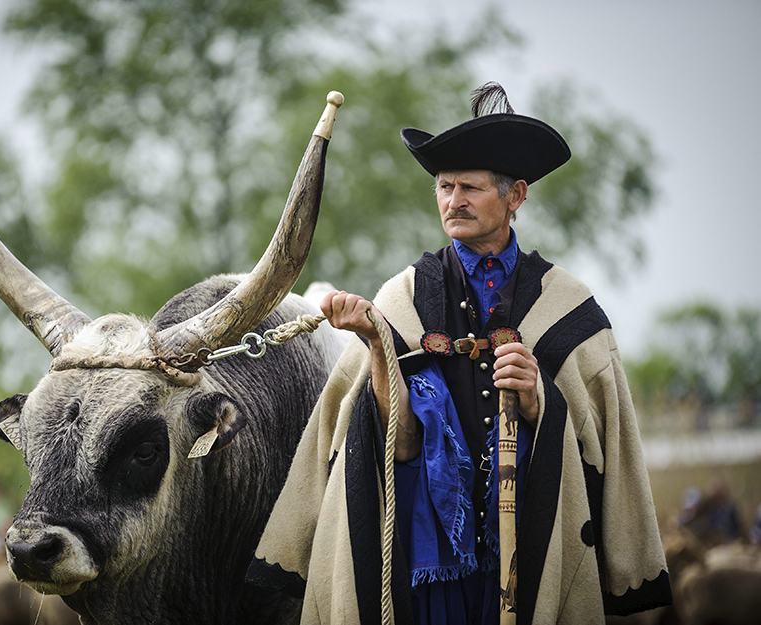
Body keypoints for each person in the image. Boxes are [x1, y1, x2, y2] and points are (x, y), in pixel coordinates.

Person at [247, 84, 672, 623]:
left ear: (515, 196)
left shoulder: (569, 310)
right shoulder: (400, 301)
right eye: (444, 187)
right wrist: (378, 346)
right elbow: (384, 443)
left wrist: (539, 401)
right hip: (421, 578)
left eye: (470, 187)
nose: (453, 201)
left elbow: (605, 448)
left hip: (532, 562)